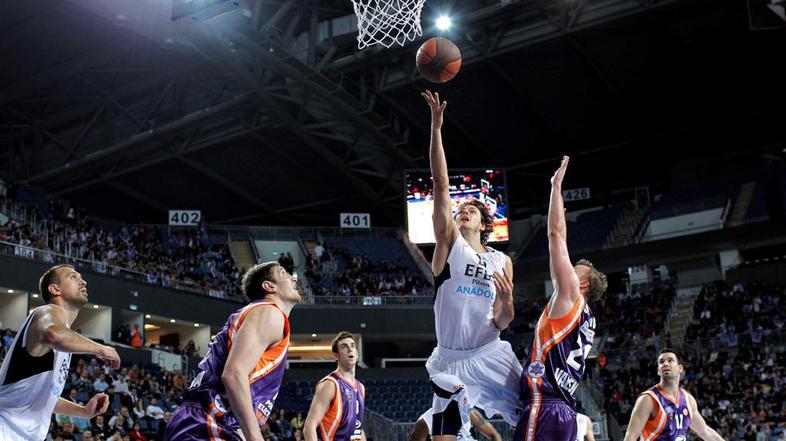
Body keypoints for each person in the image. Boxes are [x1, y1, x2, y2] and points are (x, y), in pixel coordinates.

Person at [413, 91, 521, 441]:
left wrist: (507, 306)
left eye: (470, 210)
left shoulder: (502, 260)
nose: (463, 212)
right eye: (460, 210)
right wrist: (436, 127)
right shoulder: (450, 244)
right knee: (437, 435)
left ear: (484, 223)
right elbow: (440, 184)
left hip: (491, 352)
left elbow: (503, 321)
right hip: (451, 360)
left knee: (536, 413)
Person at [514, 157, 607, 441]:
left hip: (545, 405)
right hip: (565, 411)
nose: (569, 265)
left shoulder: (572, 294)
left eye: (575, 268)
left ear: (583, 283)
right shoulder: (586, 316)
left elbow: (556, 235)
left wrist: (556, 188)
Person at [165, 261, 301, 441]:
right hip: (209, 420)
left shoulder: (257, 314)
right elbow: (233, 374)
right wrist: (254, 436)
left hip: (206, 419)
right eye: (283, 273)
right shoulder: (270, 313)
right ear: (269, 286)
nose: (293, 278)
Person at [0, 264, 121, 441]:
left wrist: (83, 411)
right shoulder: (47, 312)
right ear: (54, 289)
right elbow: (53, 333)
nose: (83, 281)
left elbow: (43, 399)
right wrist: (101, 348)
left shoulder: (65, 340)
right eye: (73, 277)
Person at [623, 349, 726, 441]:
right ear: (658, 371)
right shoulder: (648, 399)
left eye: (670, 360)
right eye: (661, 362)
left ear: (680, 368)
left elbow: (705, 431)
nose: (665, 364)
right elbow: (630, 436)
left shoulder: (688, 400)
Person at [304, 331, 366, 441]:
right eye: (344, 347)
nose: (350, 349)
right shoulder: (330, 384)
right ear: (336, 356)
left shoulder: (360, 387)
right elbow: (309, 426)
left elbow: (358, 429)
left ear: (357, 354)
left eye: (352, 346)